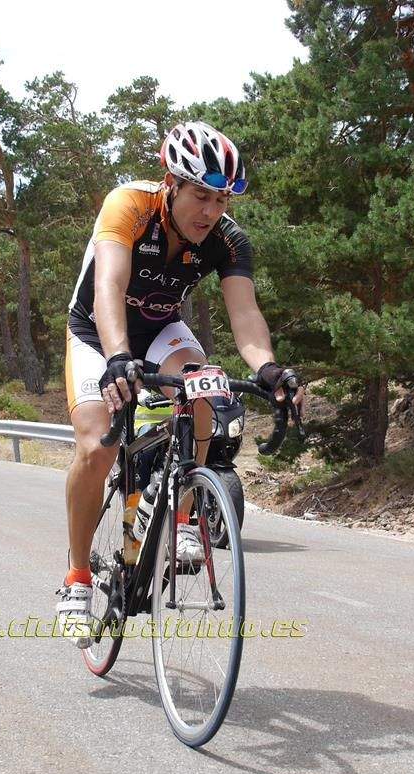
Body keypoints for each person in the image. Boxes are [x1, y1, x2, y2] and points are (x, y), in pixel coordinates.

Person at [56, 121, 306, 647]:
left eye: (221, 199)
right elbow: (110, 285)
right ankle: (77, 579)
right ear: (170, 181)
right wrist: (118, 357)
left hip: (162, 330)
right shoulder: (128, 205)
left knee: (206, 390)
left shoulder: (227, 239)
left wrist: (267, 368)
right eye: (200, 195)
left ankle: (185, 516)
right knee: (96, 447)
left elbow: (245, 312)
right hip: (98, 330)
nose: (210, 212)